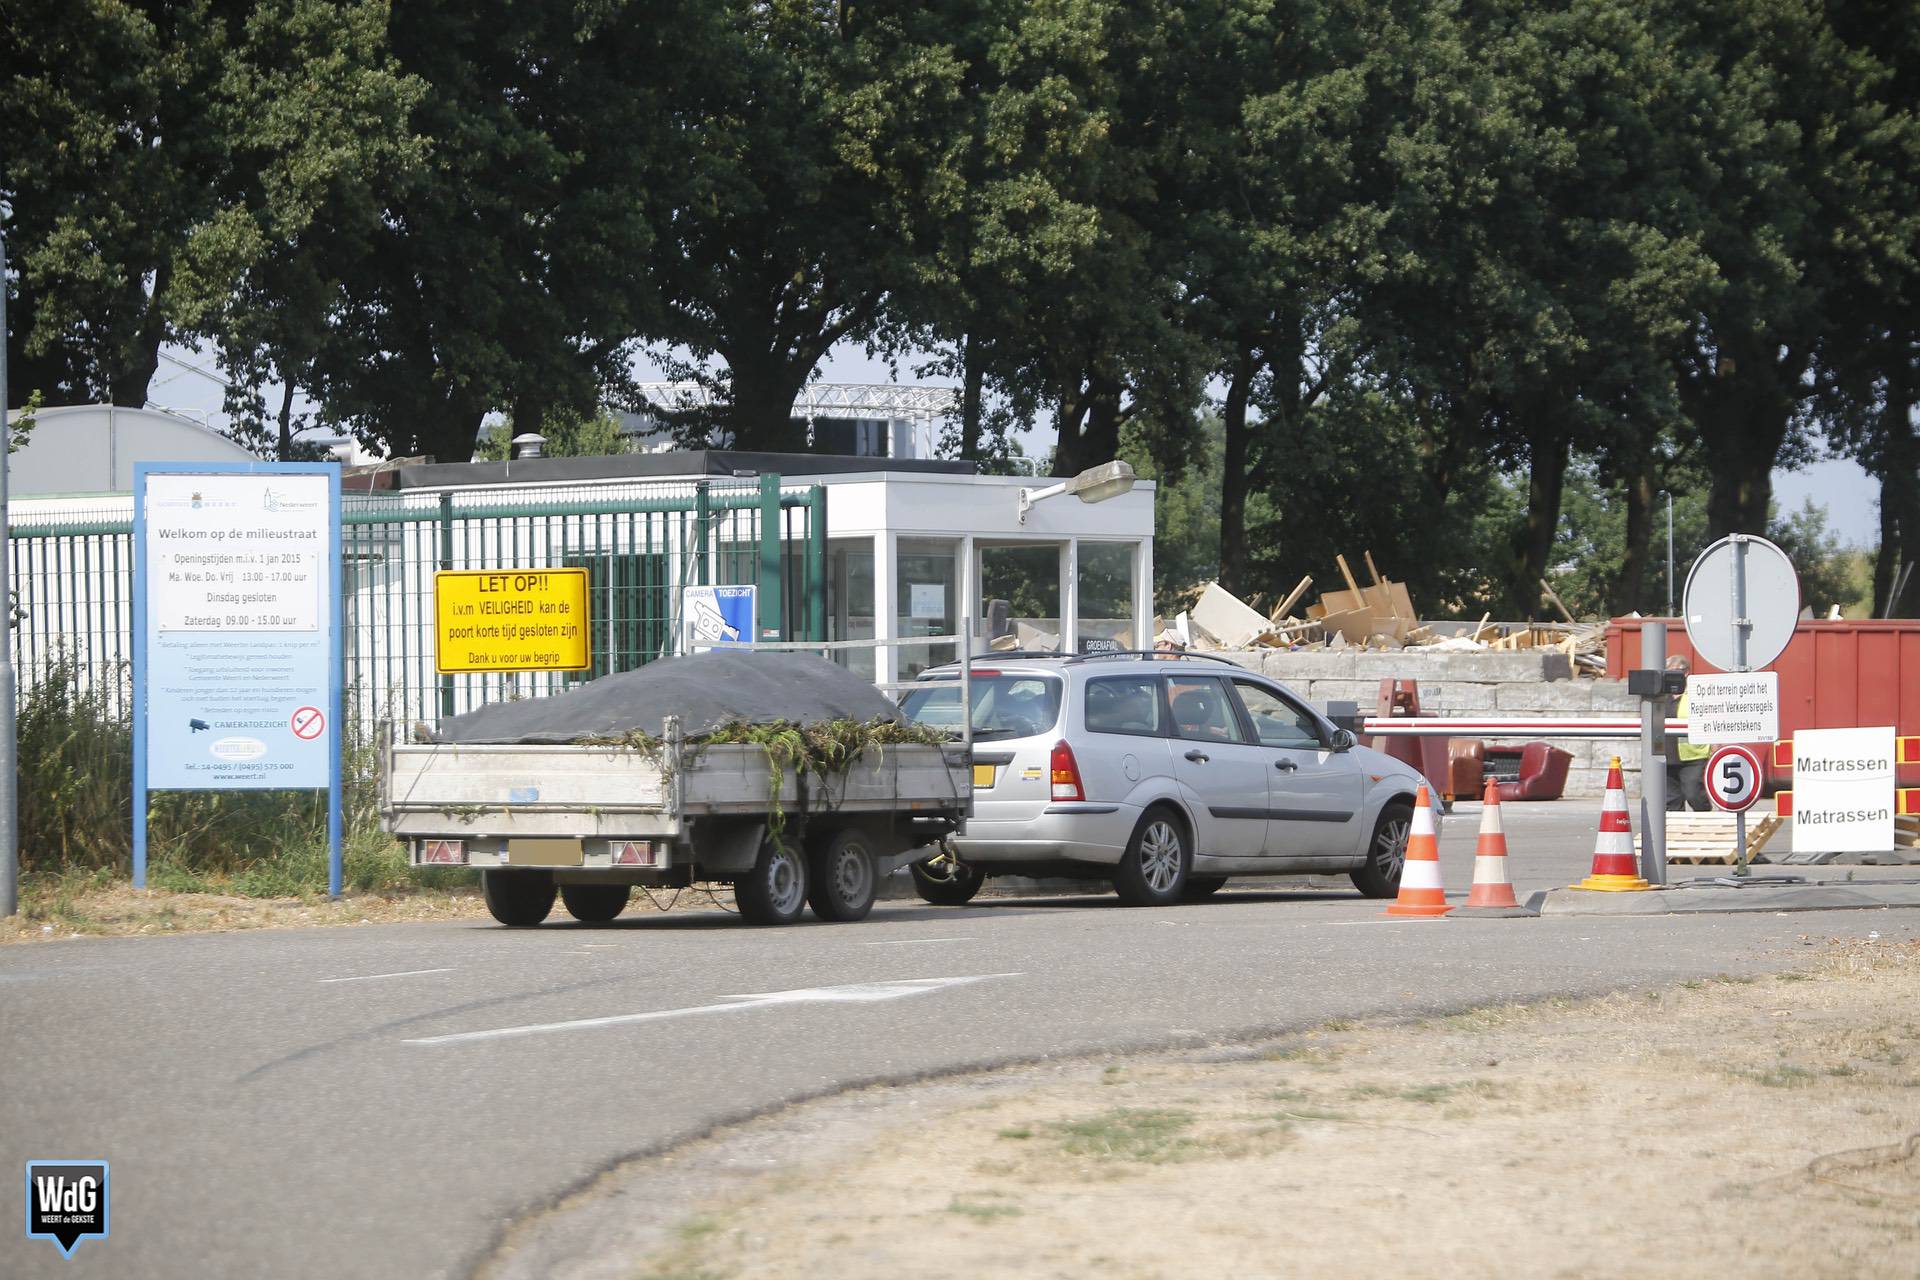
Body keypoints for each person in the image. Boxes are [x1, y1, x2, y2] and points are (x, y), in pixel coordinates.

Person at [1667, 655, 1710, 811]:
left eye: (1675, 671)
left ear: (1686, 673)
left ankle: (1705, 822)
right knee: (1671, 801)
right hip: (1667, 756)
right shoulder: (1661, 694)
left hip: (1693, 755)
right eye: (1668, 671)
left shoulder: (1696, 694)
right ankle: (1676, 832)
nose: (1670, 675)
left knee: (1694, 795)